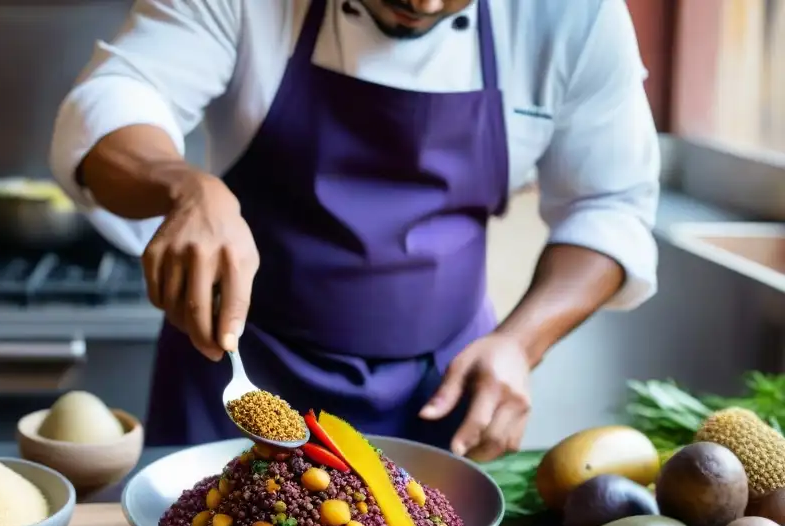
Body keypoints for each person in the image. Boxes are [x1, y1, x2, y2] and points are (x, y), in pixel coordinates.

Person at [50, 0, 660, 460]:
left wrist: (521, 343)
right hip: (232, 381)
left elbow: (611, 203)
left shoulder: (572, 14)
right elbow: (114, 98)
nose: (421, 3)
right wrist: (184, 186)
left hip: (436, 400)